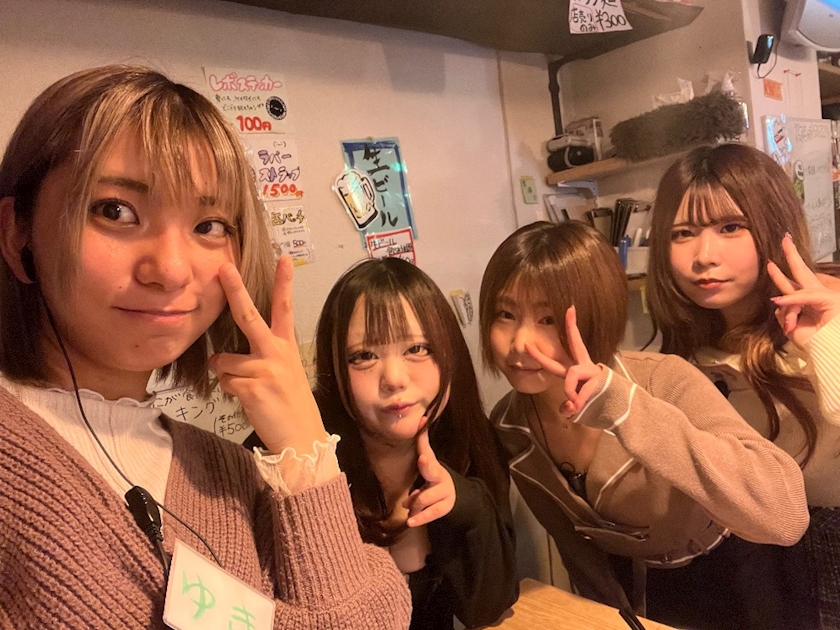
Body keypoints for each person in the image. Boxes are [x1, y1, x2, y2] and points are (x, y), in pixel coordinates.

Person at [0, 65, 411, 629]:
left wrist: (305, 445)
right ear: (17, 231)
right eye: (115, 210)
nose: (171, 270)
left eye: (210, 225)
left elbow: (373, 617)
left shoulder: (231, 471)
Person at [478, 219, 809, 629]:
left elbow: (786, 514)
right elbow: (576, 548)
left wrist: (621, 407)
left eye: (547, 319)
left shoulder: (662, 379)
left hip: (737, 575)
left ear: (596, 314)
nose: (519, 343)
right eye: (505, 314)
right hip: (642, 589)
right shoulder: (510, 425)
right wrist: (609, 616)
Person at [646, 142, 840, 629]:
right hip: (754, 559)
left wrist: (829, 340)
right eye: (683, 233)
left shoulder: (831, 310)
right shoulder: (687, 356)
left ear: (773, 224)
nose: (703, 256)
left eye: (730, 227)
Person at [312, 257, 518, 630]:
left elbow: (488, 609)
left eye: (417, 349)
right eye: (364, 356)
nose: (394, 378)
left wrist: (465, 502)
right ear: (334, 370)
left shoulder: (473, 442)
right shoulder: (302, 461)